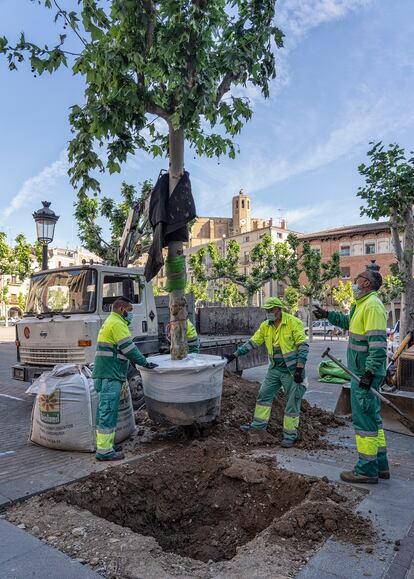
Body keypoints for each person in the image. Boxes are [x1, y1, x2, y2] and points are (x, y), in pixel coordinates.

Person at [314, 269, 389, 484]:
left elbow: (378, 344)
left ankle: (366, 469)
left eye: (357, 279)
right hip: (363, 371)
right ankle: (381, 465)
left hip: (365, 373)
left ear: (366, 283)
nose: (354, 282)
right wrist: (329, 315)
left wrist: (369, 372)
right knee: (373, 419)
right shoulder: (362, 304)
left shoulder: (372, 305)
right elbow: (350, 323)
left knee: (364, 420)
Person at [224, 297, 309, 447]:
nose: (268, 313)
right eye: (267, 310)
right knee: (264, 395)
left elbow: (303, 346)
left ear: (279, 309)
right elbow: (253, 343)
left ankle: (290, 435)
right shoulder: (266, 326)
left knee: (292, 403)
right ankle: (258, 426)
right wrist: (234, 355)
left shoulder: (293, 323)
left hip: (291, 370)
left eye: (271, 310)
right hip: (275, 368)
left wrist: (299, 369)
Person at [93, 296, 158, 461]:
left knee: (108, 411)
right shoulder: (117, 324)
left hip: (108, 373)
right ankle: (104, 451)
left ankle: (107, 444)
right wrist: (144, 362)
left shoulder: (112, 321)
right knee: (107, 411)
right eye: (130, 311)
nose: (131, 315)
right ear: (122, 310)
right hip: (110, 374)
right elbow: (129, 349)